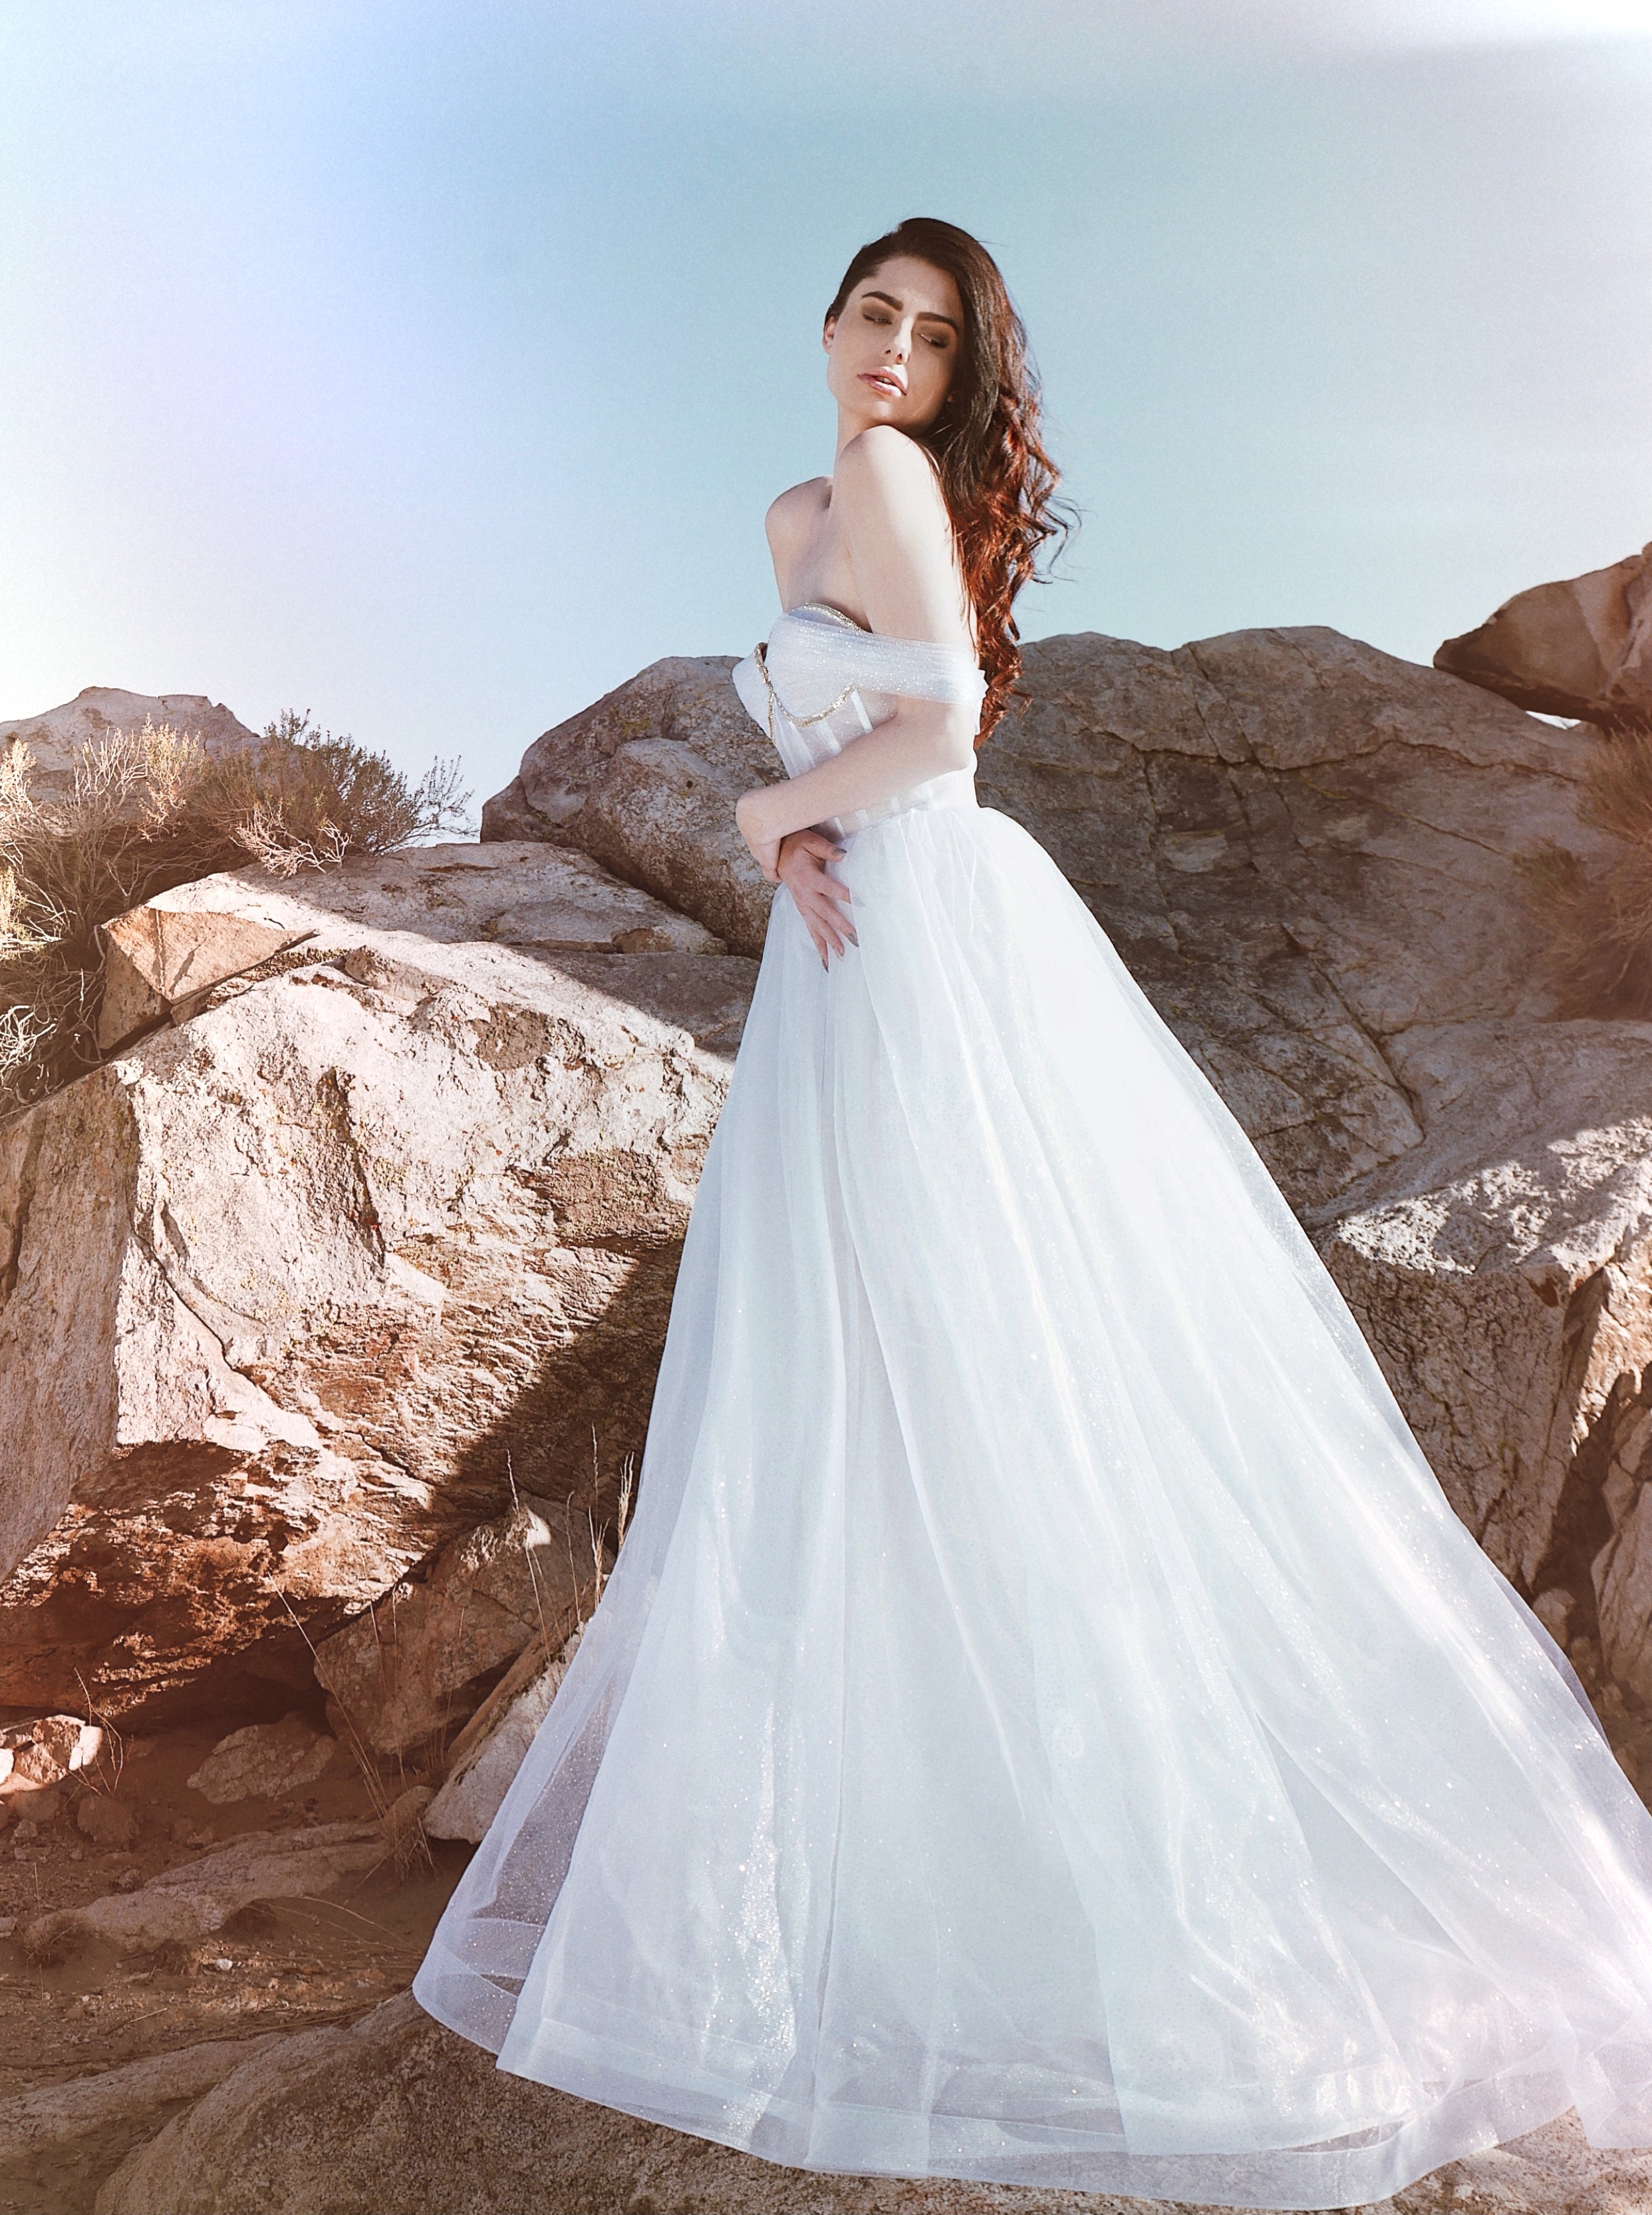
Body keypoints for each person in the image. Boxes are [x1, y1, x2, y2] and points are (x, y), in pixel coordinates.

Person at [414, 217, 1652, 2209]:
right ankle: (902, 1841)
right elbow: (881, 717)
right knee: (881, 1371)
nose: (896, 350)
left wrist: (764, 816)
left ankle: (1002, 1866)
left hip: (923, 944)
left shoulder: (888, 483)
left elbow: (949, 733)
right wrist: (804, 816)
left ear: (960, 365)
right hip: (862, 957)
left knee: (951, 1362)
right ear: (821, 324)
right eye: (872, 314)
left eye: (933, 330)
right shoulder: (799, 505)